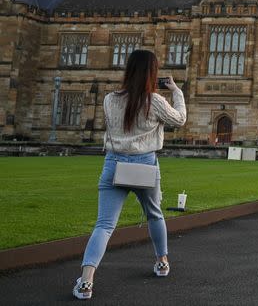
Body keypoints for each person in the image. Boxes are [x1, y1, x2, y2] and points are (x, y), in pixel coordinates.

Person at [72, 50, 186, 300]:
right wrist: (176, 91)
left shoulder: (110, 99)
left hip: (114, 164)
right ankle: (162, 262)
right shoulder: (154, 101)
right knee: (154, 215)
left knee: (104, 225)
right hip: (145, 165)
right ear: (152, 73)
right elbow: (179, 119)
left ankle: (86, 281)